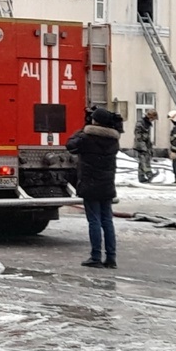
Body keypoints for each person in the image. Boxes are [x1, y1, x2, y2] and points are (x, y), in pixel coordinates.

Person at [67, 107, 122, 269]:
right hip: (107, 186)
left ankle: (96, 256)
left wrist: (83, 128)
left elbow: (70, 145)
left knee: (94, 221)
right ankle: (111, 258)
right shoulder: (113, 140)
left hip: (90, 185)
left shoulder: (86, 138)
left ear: (94, 121)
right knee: (107, 221)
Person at [134, 110, 156, 184]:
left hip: (145, 145)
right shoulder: (141, 123)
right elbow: (138, 135)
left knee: (142, 161)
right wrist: (143, 147)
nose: (153, 120)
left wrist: (150, 147)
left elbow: (147, 137)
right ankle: (149, 174)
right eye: (153, 118)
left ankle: (141, 177)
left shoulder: (146, 123)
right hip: (141, 146)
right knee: (144, 161)